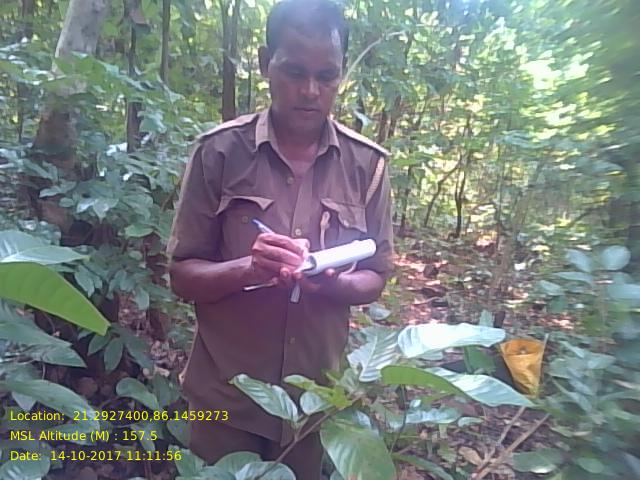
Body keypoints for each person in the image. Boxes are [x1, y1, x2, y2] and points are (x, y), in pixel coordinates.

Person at [167, 0, 394, 477]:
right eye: (294, 72)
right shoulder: (219, 153)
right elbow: (182, 275)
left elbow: (375, 277)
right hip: (224, 397)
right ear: (265, 63)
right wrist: (249, 269)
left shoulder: (367, 166)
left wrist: (332, 283)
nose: (310, 91)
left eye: (327, 76)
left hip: (315, 403)